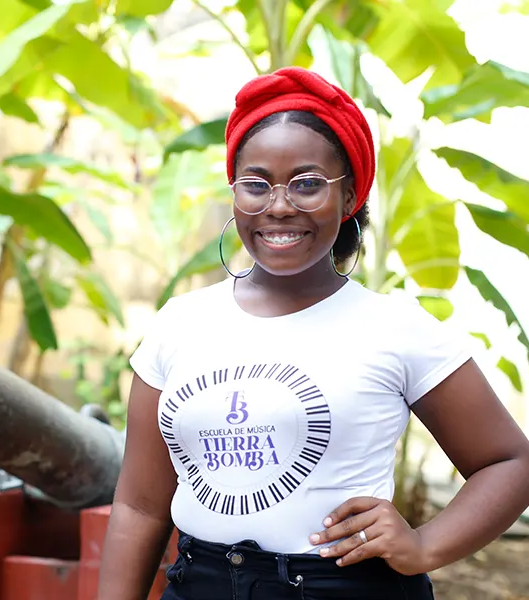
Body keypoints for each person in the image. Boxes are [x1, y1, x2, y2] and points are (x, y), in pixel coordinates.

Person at [96, 67, 529, 600]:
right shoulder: (179, 323)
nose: (278, 205)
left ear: (349, 198)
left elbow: (510, 462)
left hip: (342, 587)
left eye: (307, 183)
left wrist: (425, 546)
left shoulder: (394, 327)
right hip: (199, 584)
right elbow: (140, 505)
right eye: (256, 184)